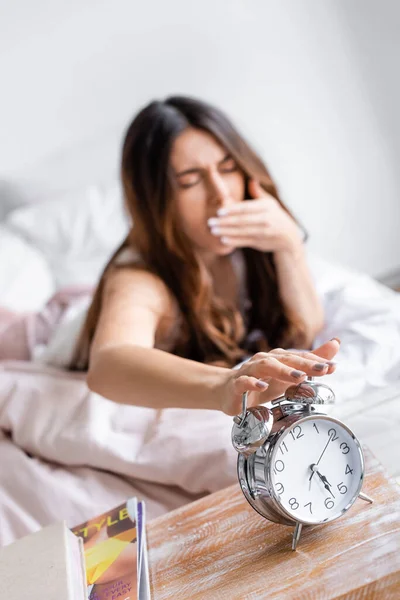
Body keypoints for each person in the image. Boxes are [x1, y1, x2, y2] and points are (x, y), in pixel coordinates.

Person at [71, 96, 339, 416]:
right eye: (191, 181)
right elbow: (108, 365)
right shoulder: (139, 278)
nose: (221, 194)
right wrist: (224, 385)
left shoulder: (249, 249)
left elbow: (305, 329)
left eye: (227, 168)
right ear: (155, 202)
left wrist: (289, 245)